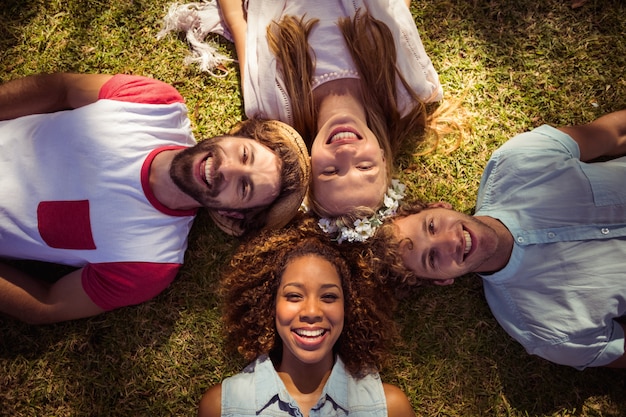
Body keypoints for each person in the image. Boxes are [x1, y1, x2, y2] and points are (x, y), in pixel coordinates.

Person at [0, 72, 310, 325]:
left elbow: (47, 304)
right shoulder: (155, 104)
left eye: (244, 188)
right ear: (237, 135)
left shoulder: (151, 263)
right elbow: (60, 89)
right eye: (244, 154)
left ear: (234, 214)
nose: (226, 168)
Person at [372, 108, 626, 370]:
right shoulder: (545, 329)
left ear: (440, 206)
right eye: (432, 258)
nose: (449, 242)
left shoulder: (519, 161)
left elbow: (615, 134)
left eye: (432, 226)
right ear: (443, 280)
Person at [159, 0, 447, 223]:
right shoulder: (409, 88)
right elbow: (394, 13)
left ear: (310, 164)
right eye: (364, 166)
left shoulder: (268, 104)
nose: (346, 153)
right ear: (384, 159)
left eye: (331, 171)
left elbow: (239, 22)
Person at [198, 216, 416, 416]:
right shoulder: (221, 407)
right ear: (269, 305)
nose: (312, 312)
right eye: (294, 296)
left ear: (348, 308)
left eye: (329, 297)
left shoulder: (389, 408)